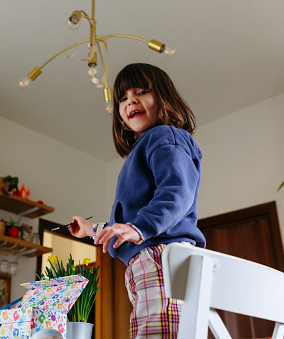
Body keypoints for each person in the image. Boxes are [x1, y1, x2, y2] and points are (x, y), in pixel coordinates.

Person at [69, 63, 206, 338]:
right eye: (122, 98)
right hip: (148, 258)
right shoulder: (145, 149)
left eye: (142, 91)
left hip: (160, 255)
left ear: (164, 98)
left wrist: (139, 228)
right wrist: (90, 230)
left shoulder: (164, 136)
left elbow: (176, 191)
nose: (131, 100)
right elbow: (128, 226)